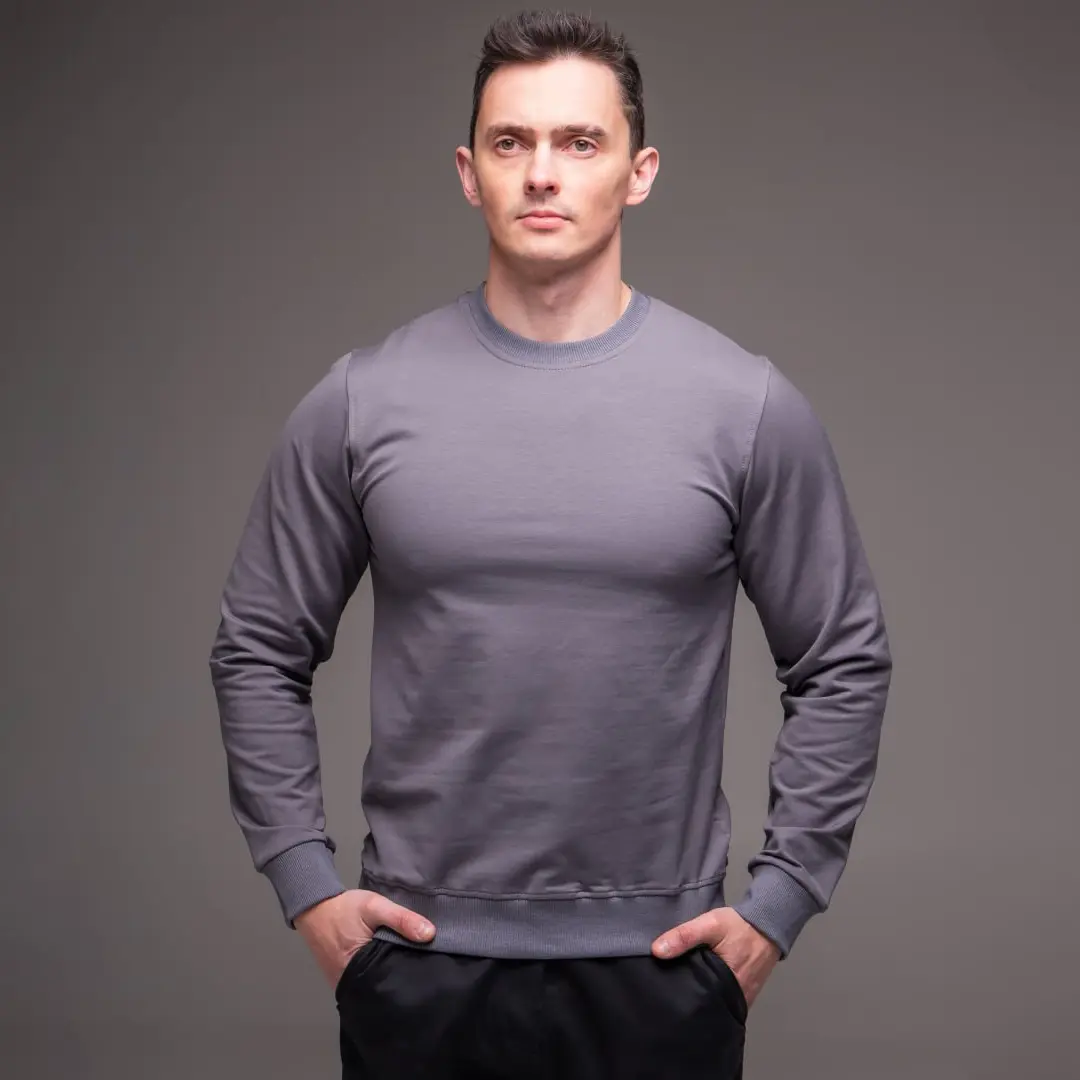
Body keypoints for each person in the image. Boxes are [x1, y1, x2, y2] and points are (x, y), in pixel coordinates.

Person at [208, 9, 893, 1077]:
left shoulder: (745, 406)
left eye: (579, 141)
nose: (542, 172)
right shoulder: (362, 400)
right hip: (420, 966)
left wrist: (779, 903)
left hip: (662, 971)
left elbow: (842, 659)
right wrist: (306, 884)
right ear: (469, 172)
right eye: (510, 142)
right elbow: (257, 646)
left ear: (639, 172)